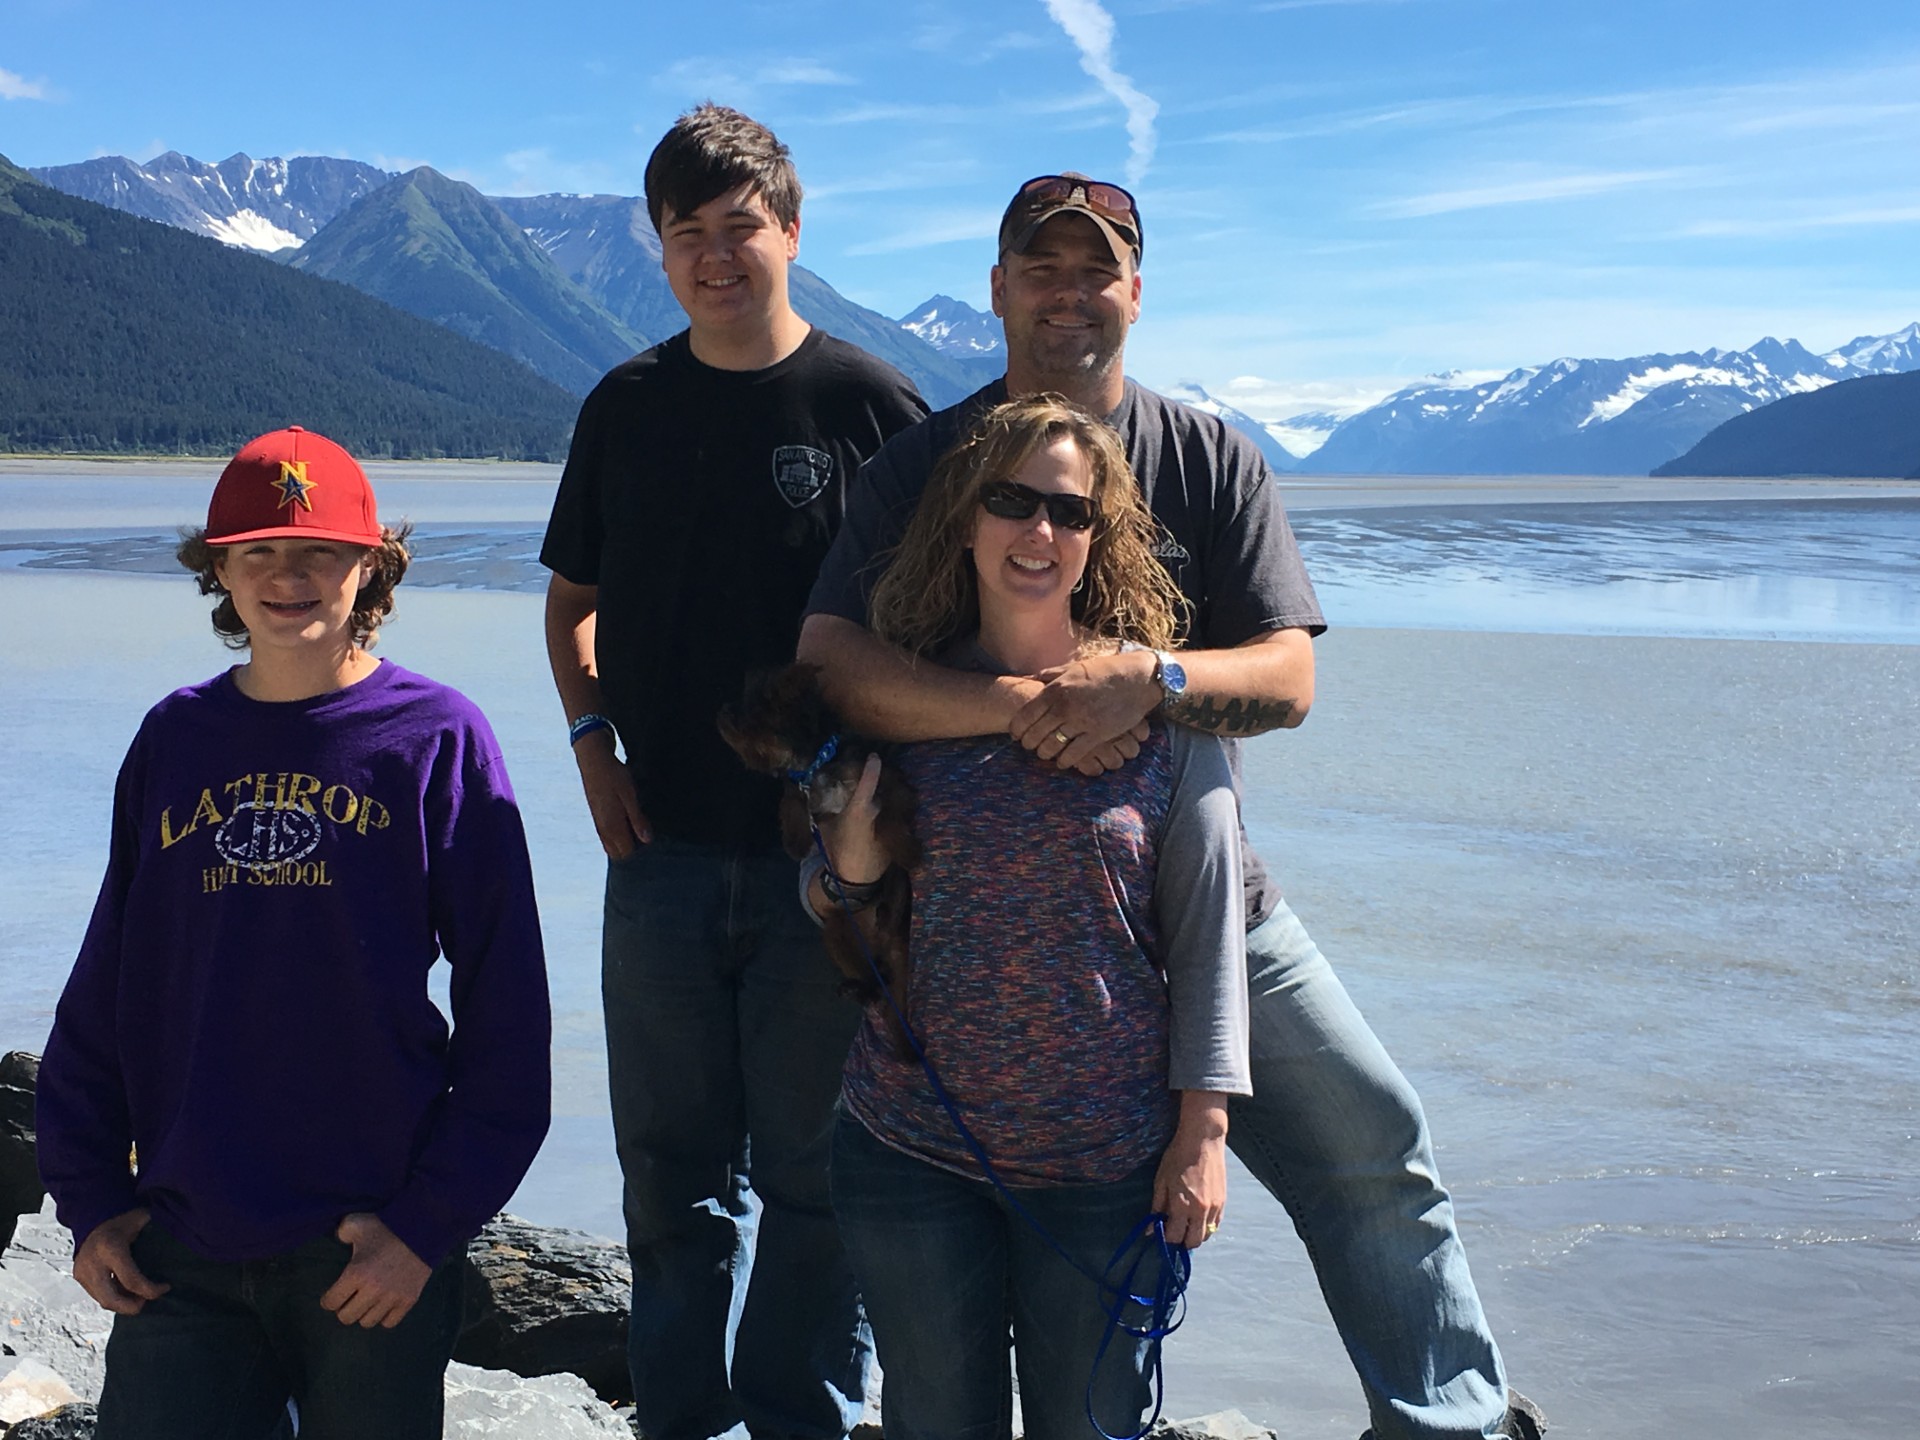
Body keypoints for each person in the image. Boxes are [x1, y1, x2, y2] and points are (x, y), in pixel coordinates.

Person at [798, 176, 1544, 1440]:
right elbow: (830, 664)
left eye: (1097, 269)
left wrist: (1154, 680)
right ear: (997, 289)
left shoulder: (1209, 456)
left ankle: (1447, 1424)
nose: (1069, 293)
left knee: (1374, 1146)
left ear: (1135, 293)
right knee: (907, 1187)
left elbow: (1290, 678)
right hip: (978, 916)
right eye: (1041, 268)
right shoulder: (925, 466)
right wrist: (1030, 706)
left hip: (1202, 905)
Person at [35, 424, 552, 1440]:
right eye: (259, 551)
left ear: (371, 565)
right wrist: (90, 1198)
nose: (288, 576)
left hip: (368, 1245)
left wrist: (426, 1227)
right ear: (219, 569)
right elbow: (109, 981)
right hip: (181, 1240)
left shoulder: (436, 738)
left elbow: (509, 1010)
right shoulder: (175, 739)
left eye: (319, 550)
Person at [538, 104, 928, 1439]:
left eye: (740, 227)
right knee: (670, 1178)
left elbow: (940, 622)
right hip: (657, 853)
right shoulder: (626, 407)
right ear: (658, 249)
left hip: (827, 867)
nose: (714, 257)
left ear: (793, 232)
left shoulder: (871, 405)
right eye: (686, 233)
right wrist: (592, 746)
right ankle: (682, 1422)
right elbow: (570, 605)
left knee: (820, 1176)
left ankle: (802, 1417)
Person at [806, 394, 1249, 1440]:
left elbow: (1209, 933)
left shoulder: (1162, 719)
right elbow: (825, 902)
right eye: (1010, 501)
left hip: (1105, 1167)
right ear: (965, 518)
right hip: (912, 1152)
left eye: (1070, 510)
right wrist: (848, 872)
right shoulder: (895, 698)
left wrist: (1204, 1130)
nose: (1039, 530)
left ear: (1099, 538)